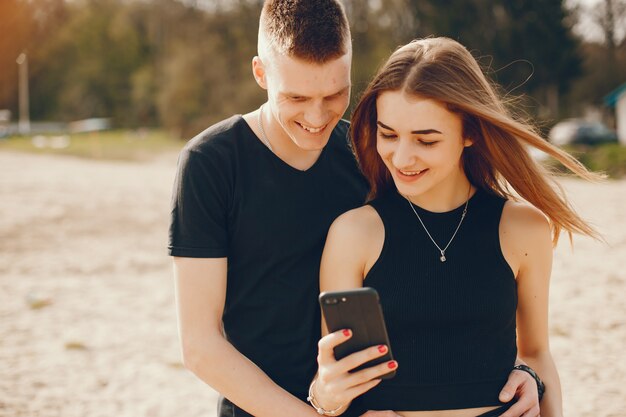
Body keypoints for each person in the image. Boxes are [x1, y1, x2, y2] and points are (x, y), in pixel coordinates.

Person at [168, 1, 541, 415]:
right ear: (260, 73)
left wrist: (526, 369)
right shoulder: (211, 163)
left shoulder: (373, 155)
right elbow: (201, 346)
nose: (317, 115)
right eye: (296, 97)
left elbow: (449, 274)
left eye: (335, 94)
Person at [310, 37, 600, 417]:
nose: (401, 157)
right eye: (388, 134)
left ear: (470, 132)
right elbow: (333, 377)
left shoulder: (525, 228)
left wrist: (532, 376)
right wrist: (326, 398)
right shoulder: (353, 234)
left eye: (425, 140)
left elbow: (536, 354)